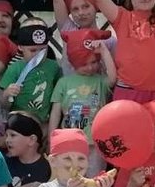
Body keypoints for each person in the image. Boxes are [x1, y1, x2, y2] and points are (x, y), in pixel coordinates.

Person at [49, 29, 114, 173]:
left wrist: (104, 51)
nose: (90, 67)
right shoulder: (64, 82)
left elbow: (113, 78)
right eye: (83, 64)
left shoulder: (100, 81)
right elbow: (55, 114)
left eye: (94, 62)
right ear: (73, 63)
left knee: (95, 178)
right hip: (69, 141)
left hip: (95, 142)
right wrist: (52, 139)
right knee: (69, 178)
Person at [0, 22, 61, 125]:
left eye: (42, 50)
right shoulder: (15, 68)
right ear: (20, 47)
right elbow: (3, 104)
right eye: (32, 50)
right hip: (18, 121)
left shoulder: (54, 67)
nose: (38, 55)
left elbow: (58, 94)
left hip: (44, 122)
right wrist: (7, 94)